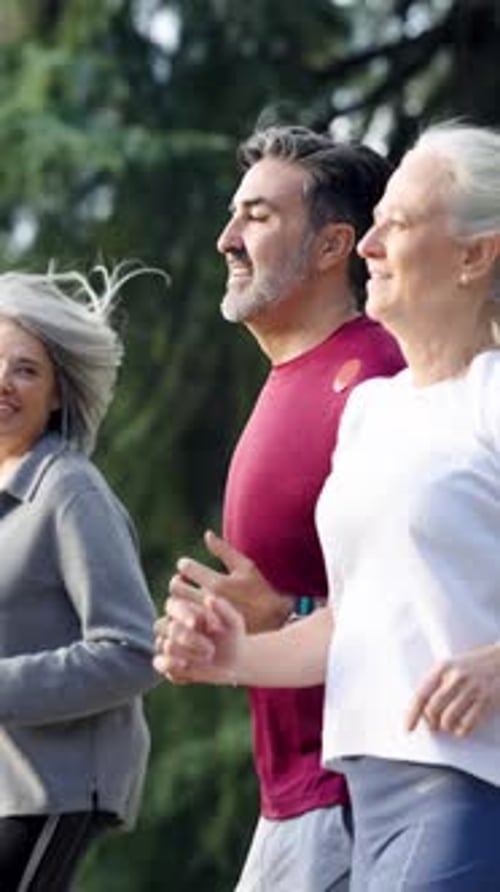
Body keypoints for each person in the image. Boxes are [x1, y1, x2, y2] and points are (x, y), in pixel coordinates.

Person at [154, 120, 500, 891]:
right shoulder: (378, 408)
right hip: (355, 792)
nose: (372, 243)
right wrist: (235, 654)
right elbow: (359, 615)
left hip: (454, 783)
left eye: (398, 225)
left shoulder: (464, 391)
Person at [0, 269, 159, 891]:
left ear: (60, 394)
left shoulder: (69, 490)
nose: (3, 382)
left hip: (55, 787)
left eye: (25, 369)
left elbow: (134, 651)